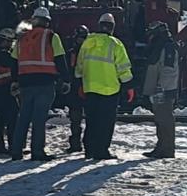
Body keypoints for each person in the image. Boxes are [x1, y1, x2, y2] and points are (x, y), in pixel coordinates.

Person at [10, 7, 70, 162]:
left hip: (25, 83)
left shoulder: (22, 38)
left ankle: (16, 151)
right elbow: (60, 59)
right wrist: (66, 79)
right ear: (47, 21)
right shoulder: (51, 36)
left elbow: (13, 61)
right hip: (45, 82)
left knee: (23, 117)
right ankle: (37, 152)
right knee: (39, 118)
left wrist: (15, 80)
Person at [75, 13, 133, 161]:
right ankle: (101, 151)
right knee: (106, 123)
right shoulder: (115, 44)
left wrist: (80, 84)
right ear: (112, 28)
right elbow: (123, 68)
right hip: (109, 90)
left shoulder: (87, 42)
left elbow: (79, 67)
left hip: (90, 89)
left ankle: (89, 150)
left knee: (91, 120)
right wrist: (129, 86)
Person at [142, 21, 180, 158]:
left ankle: (167, 149)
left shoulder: (167, 47)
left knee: (165, 120)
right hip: (159, 90)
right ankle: (161, 147)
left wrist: (160, 88)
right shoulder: (160, 46)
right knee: (160, 120)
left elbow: (168, 70)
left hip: (164, 90)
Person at [60, 25, 90, 154]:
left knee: (89, 117)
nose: (81, 41)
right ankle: (76, 143)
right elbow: (67, 69)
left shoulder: (90, 53)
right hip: (75, 87)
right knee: (75, 117)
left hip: (87, 86)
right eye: (80, 38)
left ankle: (87, 143)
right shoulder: (71, 52)